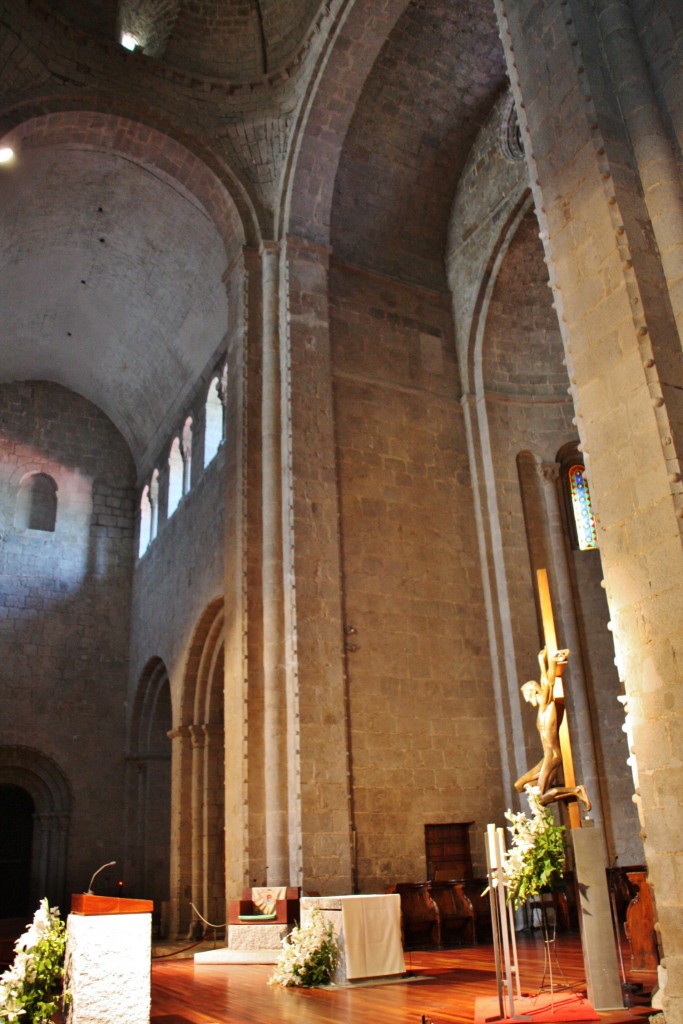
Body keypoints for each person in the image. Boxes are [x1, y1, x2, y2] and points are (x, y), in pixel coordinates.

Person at [515, 646, 591, 811]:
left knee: (541, 799)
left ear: (533, 691)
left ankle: (576, 791)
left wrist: (549, 662)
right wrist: (542, 663)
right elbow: (545, 682)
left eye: (527, 696)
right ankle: (554, 784)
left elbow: (548, 683)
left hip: (553, 755)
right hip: (546, 756)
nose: (528, 701)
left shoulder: (546, 706)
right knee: (519, 785)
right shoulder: (542, 709)